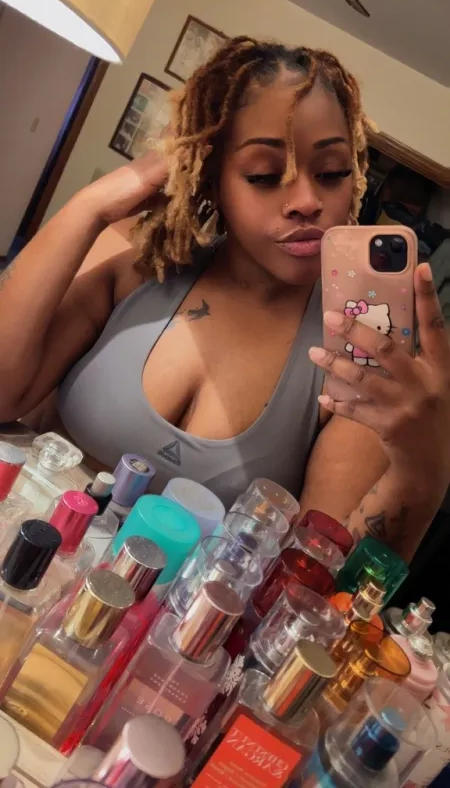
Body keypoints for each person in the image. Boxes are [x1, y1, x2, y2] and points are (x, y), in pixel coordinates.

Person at [0, 38, 449, 563]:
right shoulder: (137, 266)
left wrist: (425, 471)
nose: (307, 201)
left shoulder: (355, 358)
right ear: (212, 178)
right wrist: (92, 206)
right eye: (263, 175)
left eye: (332, 172)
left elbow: (311, 577)